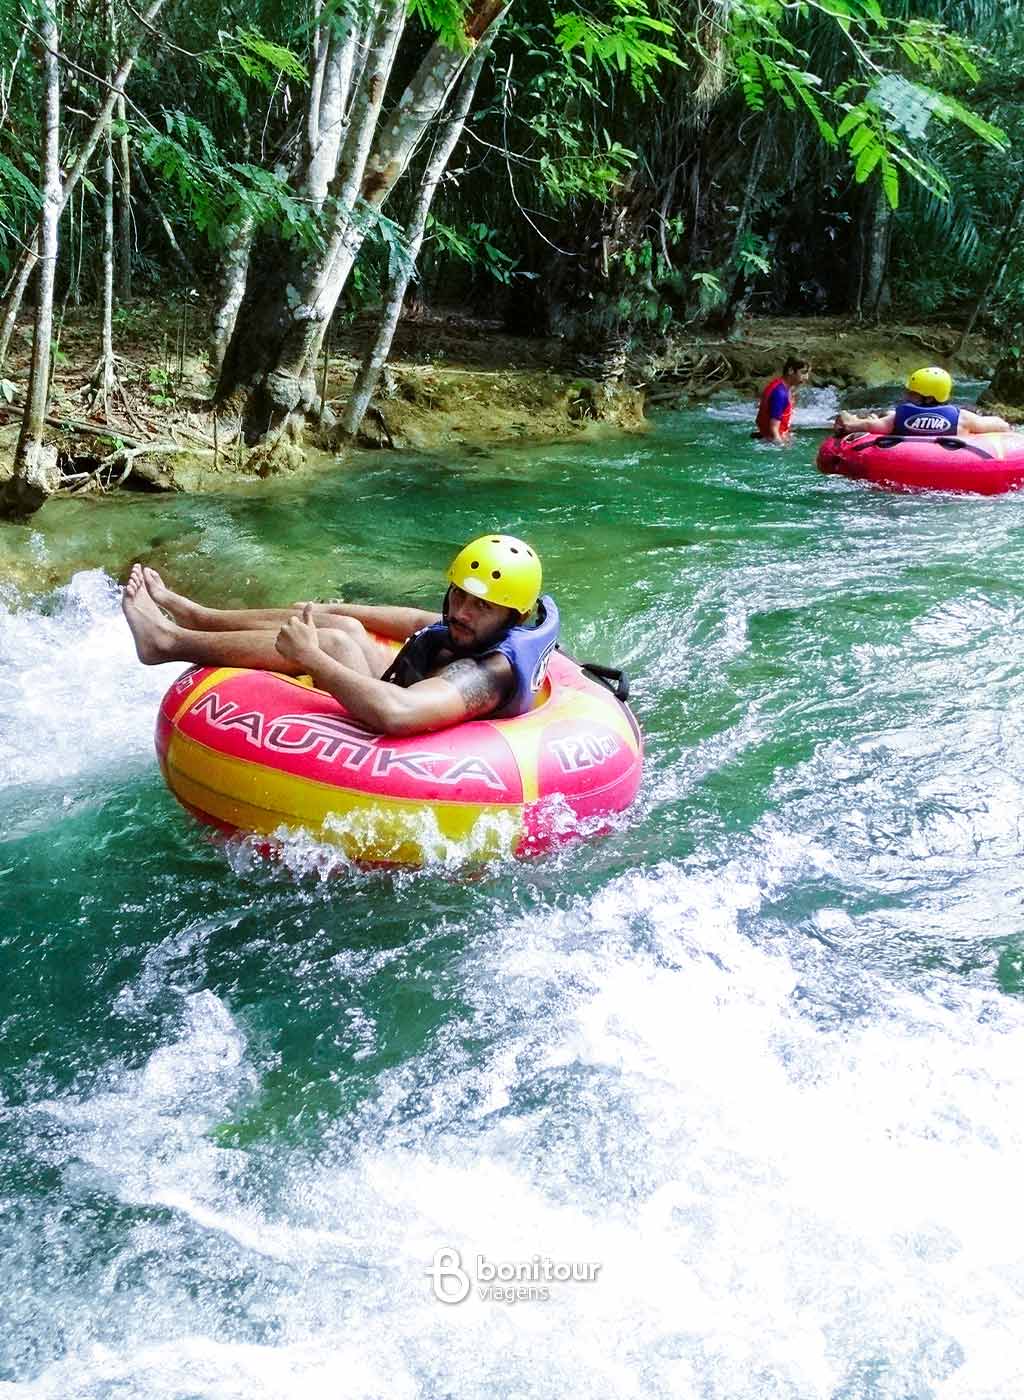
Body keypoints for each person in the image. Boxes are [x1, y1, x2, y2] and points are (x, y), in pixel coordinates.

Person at [122, 534, 559, 737]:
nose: (462, 612)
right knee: (343, 627)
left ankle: (166, 643)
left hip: (403, 735)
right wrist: (332, 608)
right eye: (459, 596)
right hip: (402, 688)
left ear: (513, 616)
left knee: (330, 644)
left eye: (481, 605)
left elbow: (398, 713)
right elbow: (416, 621)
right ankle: (199, 615)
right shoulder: (476, 627)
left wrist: (314, 660)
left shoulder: (486, 672)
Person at [834, 367, 1011, 437]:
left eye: (912, 393)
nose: (906, 396)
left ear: (928, 396)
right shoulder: (962, 418)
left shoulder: (898, 417)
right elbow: (1003, 426)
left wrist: (847, 420)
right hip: (952, 467)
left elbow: (866, 426)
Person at [754, 357, 812, 442]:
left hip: (767, 436)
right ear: (791, 371)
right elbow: (774, 429)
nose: (806, 377)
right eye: (803, 373)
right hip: (771, 442)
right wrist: (781, 447)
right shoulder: (780, 394)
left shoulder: (778, 385)